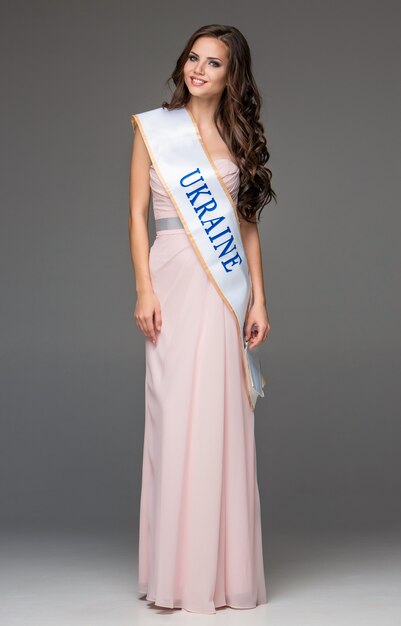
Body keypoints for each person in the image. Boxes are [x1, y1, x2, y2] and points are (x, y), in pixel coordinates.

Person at [128, 23, 276, 615]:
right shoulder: (152, 130)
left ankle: (219, 574)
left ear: (229, 75)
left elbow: (245, 227)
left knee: (219, 417)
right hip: (170, 277)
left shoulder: (238, 140)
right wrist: (144, 287)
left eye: (213, 63)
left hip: (224, 290)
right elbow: (136, 215)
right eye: (193, 58)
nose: (198, 70)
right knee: (173, 415)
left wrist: (259, 297)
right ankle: (173, 573)